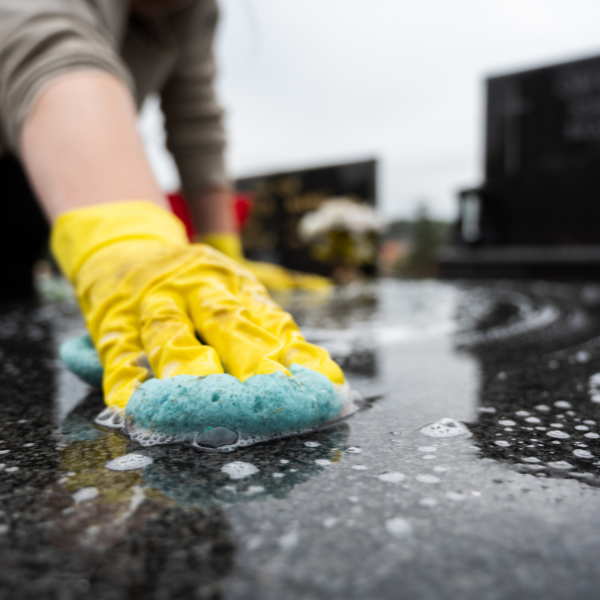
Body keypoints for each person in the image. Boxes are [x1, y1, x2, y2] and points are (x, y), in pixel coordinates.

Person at [0, 0, 344, 415]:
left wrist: (222, 254)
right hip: (51, 162)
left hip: (56, 184)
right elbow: (45, 47)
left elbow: (194, 119)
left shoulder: (196, 11)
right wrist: (127, 239)